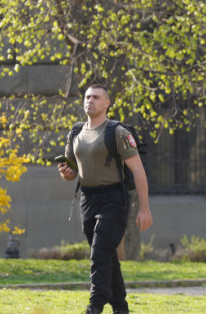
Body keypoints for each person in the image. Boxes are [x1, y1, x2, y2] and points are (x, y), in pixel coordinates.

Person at [58, 84, 153, 314]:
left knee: (99, 252)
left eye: (96, 97)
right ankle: (121, 308)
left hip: (114, 199)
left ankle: (95, 307)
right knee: (107, 256)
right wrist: (66, 174)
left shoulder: (118, 133)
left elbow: (138, 170)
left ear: (107, 103)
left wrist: (145, 209)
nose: (90, 101)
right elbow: (70, 172)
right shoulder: (75, 132)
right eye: (87, 97)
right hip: (88, 200)